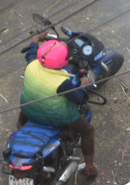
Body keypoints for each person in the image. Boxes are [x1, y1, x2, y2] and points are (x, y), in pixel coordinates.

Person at [19, 34, 98, 177]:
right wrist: (83, 84)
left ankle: (22, 131)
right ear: (63, 62)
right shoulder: (63, 82)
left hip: (28, 110)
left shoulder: (31, 65)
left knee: (21, 119)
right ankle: (89, 168)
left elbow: (31, 51)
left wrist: (36, 39)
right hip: (57, 117)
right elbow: (79, 98)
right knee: (88, 130)